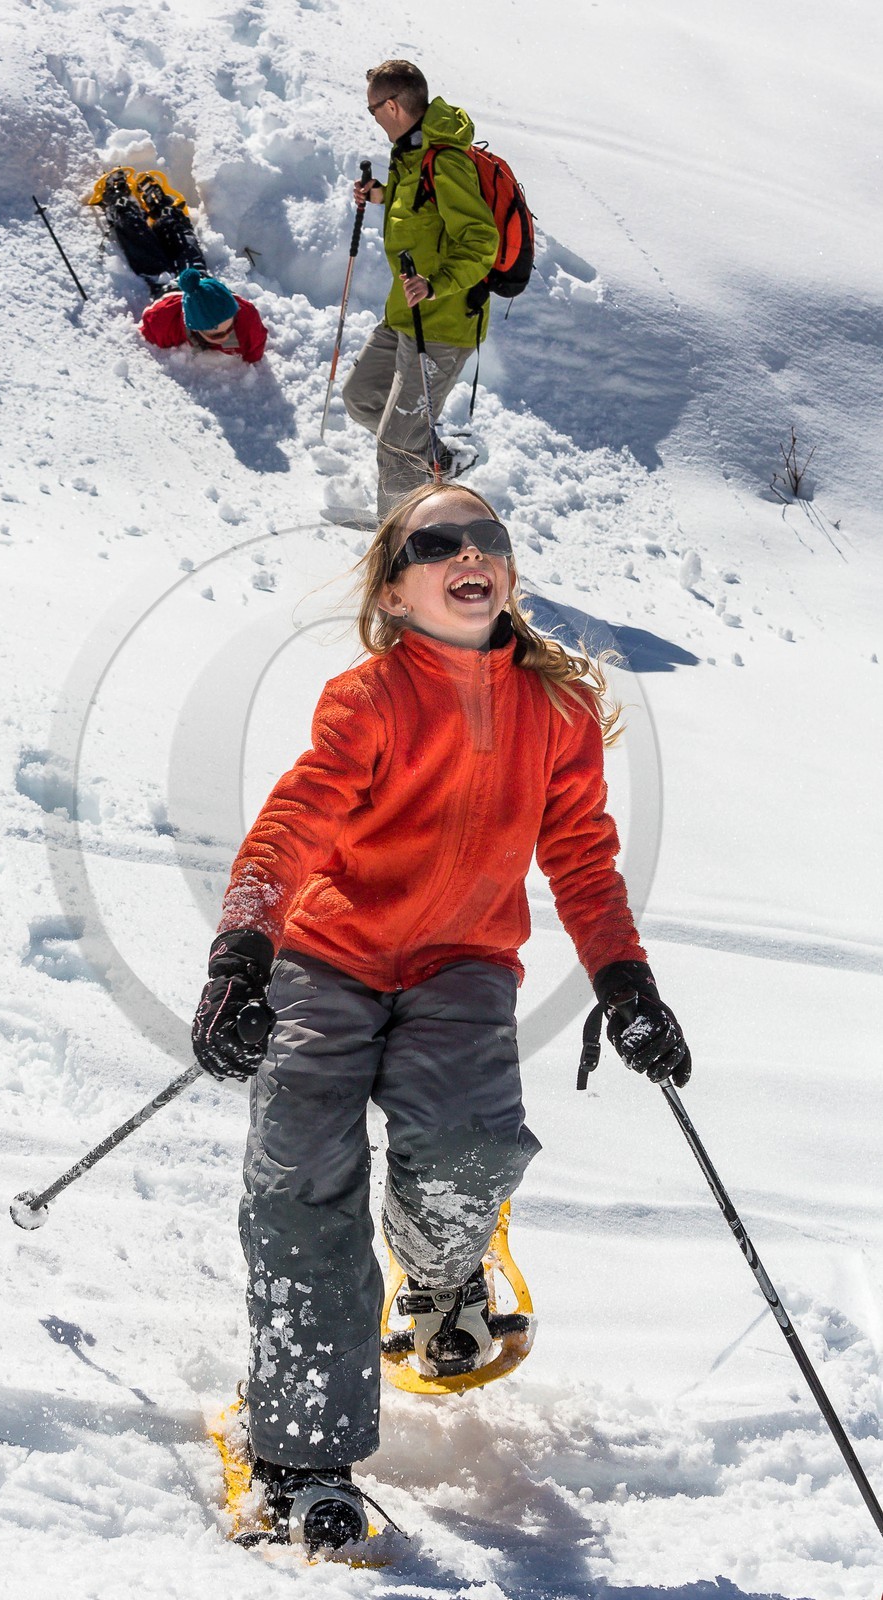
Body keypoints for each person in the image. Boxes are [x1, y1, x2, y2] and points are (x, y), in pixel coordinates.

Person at [191, 482, 691, 1551]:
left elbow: (581, 862)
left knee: (463, 1150)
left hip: (463, 966)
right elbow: (293, 823)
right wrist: (244, 948)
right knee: (300, 1181)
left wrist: (624, 981)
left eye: (489, 538)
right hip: (327, 960)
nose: (472, 552)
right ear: (394, 584)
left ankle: (444, 1266)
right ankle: (298, 1448)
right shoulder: (366, 697)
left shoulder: (553, 713)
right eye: (439, 541)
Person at [342, 61, 500, 518]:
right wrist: (380, 194)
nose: (372, 116)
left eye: (373, 108)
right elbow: (421, 202)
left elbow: (480, 241)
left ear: (392, 105)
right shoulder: (413, 151)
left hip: (442, 324)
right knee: (361, 397)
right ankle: (435, 460)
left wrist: (437, 285)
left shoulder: (445, 158)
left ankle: (398, 549)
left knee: (395, 444)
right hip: (405, 313)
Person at [139, 267, 268, 363]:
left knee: (190, 255)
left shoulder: (246, 320)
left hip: (204, 284)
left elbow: (255, 350)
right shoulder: (166, 321)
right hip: (171, 292)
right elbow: (150, 325)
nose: (226, 335)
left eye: (230, 327)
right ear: (195, 328)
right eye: (216, 334)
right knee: (152, 266)